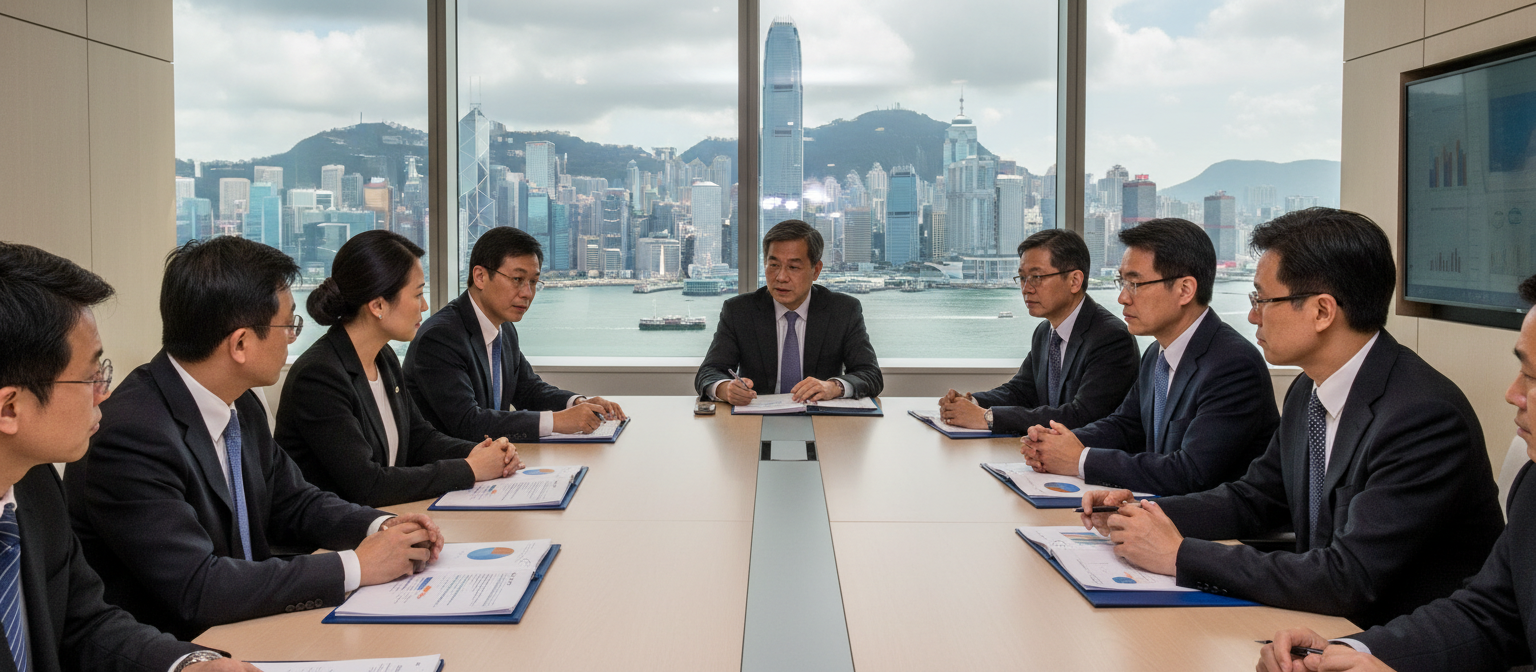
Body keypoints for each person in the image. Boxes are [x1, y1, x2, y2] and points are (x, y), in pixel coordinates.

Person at [1081, 208, 1503, 628]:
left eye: (1263, 300)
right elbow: (1255, 499)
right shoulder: (1309, 391)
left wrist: (1178, 554)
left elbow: (1348, 576)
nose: (1252, 316)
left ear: (1322, 311)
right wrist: (1142, 512)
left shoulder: (1422, 418)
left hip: (1386, 640)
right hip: (1318, 625)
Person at [64, 236, 446, 640]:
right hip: (189, 646)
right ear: (241, 343)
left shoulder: (238, 401)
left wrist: (383, 528)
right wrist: (357, 566)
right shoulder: (131, 434)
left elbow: (296, 501)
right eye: (288, 325)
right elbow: (199, 586)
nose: (292, 339)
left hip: (257, 624)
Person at [1255, 271, 1536, 672]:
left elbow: (1349, 576)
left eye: (1531, 376)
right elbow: (1486, 616)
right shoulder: (1533, 484)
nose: (1512, 393)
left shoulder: (1423, 413)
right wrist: (1350, 652)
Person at [0, 242, 258, 671]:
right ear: (10, 408)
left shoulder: (34, 484)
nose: (104, 392)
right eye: (90, 377)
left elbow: (84, 624)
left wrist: (190, 663)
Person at [1021, 218, 1277, 495]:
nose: (1122, 298)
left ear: (1185, 290)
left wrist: (1080, 459)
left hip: (1206, 529)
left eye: (1135, 283)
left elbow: (1190, 473)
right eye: (1123, 282)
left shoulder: (1232, 364)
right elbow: (1126, 425)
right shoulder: (1157, 353)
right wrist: (1055, 442)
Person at [276, 231, 523, 508]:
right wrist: (471, 468)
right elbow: (368, 485)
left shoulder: (384, 357)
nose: (426, 305)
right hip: (330, 541)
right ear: (378, 305)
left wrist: (484, 452)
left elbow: (419, 438)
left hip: (386, 520)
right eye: (418, 294)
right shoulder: (320, 376)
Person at [403, 227, 624, 442]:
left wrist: (576, 403)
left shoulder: (504, 328)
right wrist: (556, 421)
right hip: (451, 470)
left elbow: (528, 389)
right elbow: (468, 423)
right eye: (517, 279)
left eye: (534, 282)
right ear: (480, 276)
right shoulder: (441, 337)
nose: (527, 293)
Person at [937, 229, 1138, 434]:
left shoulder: (1111, 338)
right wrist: (972, 401)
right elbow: (1021, 391)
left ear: (1075, 281)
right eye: (1023, 278)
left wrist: (988, 418)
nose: (1026, 288)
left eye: (1037, 277)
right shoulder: (1045, 332)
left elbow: (1082, 416)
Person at [695, 219, 883, 404]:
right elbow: (709, 371)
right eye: (774, 265)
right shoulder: (739, 311)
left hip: (822, 420)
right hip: (756, 419)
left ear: (816, 270)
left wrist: (834, 387)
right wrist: (725, 389)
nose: (781, 277)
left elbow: (871, 374)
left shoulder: (843, 311)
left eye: (793, 267)